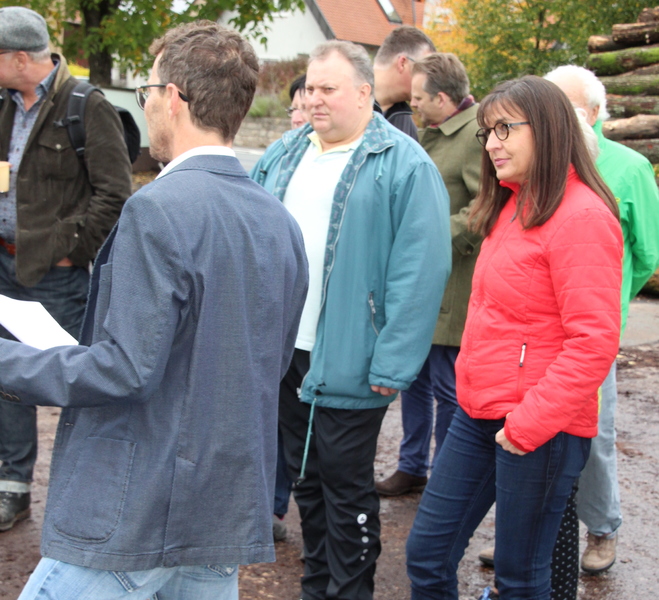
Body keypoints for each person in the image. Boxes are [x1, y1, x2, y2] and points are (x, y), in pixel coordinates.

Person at [0, 20, 308, 600]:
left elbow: (125, 369)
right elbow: (265, 361)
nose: (145, 107)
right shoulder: (280, 222)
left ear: (172, 98)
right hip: (219, 508)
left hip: (135, 508)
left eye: (147, 93)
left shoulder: (157, 210)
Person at [406, 75, 623, 600]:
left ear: (547, 130)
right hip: (479, 412)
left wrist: (527, 424)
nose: (492, 142)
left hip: (538, 429)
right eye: (487, 132)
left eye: (505, 128)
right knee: (427, 553)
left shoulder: (583, 216)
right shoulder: (512, 203)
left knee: (520, 578)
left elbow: (593, 341)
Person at [251, 40, 451, 600]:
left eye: (327, 89)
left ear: (364, 92)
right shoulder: (285, 152)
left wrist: (394, 358)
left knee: (344, 486)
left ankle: (351, 590)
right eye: (310, 88)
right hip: (287, 352)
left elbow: (422, 267)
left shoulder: (405, 163)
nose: (314, 99)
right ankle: (319, 586)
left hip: (354, 357)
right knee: (305, 481)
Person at [0, 6, 132, 532]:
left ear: (20, 58)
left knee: (81, 385)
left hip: (58, 278)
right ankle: (13, 487)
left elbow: (115, 195)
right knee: (8, 379)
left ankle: (99, 497)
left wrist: (63, 252)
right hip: (5, 269)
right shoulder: (4, 105)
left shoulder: (86, 105)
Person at [545, 64, 659, 574]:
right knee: (528, 430)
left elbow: (648, 252)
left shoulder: (630, 167)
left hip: (590, 333)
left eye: (563, 104)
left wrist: (610, 300)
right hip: (535, 327)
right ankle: (533, 532)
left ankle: (602, 529)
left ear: (593, 113)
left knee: (593, 436)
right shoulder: (536, 162)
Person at [376, 52, 482, 496]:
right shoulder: (432, 130)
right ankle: (412, 465)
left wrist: (433, 234)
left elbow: (483, 208)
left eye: (419, 98)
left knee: (447, 388)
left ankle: (447, 478)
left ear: (442, 98)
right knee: (413, 381)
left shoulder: (475, 136)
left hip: (452, 284)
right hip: (422, 282)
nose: (411, 106)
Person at [273, 72, 311, 544]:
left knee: (301, 425)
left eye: (305, 106)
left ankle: (312, 515)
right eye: (294, 109)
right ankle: (273, 506)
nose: (299, 116)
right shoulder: (282, 153)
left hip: (311, 317)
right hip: (280, 309)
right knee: (277, 416)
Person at [373, 25, 435, 140]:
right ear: (402, 63)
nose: (428, 80)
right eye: (425, 70)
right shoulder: (345, 97)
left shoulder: (407, 127)